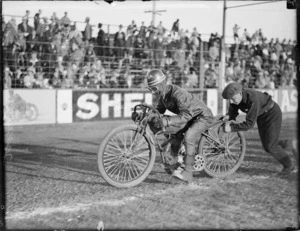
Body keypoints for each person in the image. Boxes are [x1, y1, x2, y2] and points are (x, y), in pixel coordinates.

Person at [132, 69, 214, 182]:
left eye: (154, 89)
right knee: (175, 136)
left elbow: (187, 114)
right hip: (190, 118)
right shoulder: (163, 96)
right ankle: (175, 163)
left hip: (203, 116)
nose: (153, 92)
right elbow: (158, 111)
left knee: (189, 137)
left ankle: (188, 173)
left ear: (162, 84)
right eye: (150, 89)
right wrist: (143, 116)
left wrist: (168, 121)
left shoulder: (177, 93)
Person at [222, 82, 295, 175]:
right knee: (267, 147)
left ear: (240, 93)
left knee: (270, 146)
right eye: (230, 100)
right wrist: (229, 116)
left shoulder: (253, 99)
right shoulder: (236, 98)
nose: (232, 101)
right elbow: (233, 109)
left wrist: (232, 128)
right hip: (261, 115)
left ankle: (289, 165)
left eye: (233, 99)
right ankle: (286, 143)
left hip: (272, 114)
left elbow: (249, 124)